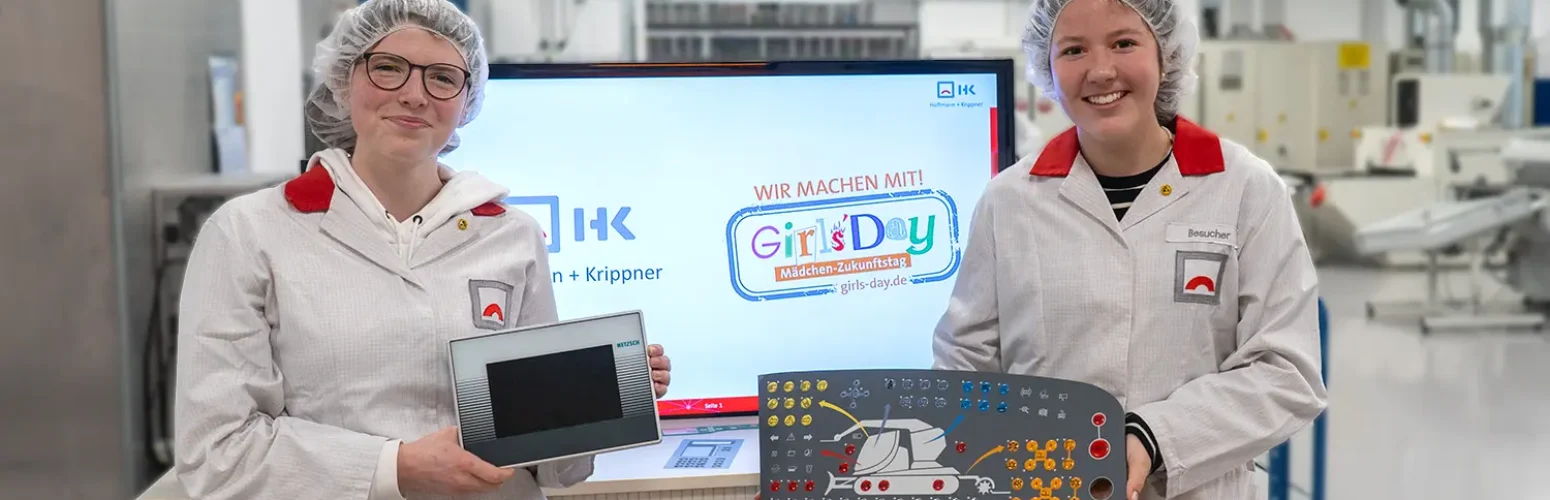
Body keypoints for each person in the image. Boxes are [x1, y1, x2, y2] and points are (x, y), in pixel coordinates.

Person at [172, 1, 673, 499]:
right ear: (344, 82)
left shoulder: (512, 235)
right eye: (388, 68)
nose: (414, 95)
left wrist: (608, 394)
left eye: (442, 77)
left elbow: (548, 461)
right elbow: (219, 453)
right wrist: (396, 468)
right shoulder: (250, 233)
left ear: (467, 98)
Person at [931, 0, 1327, 499]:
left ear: (1166, 54)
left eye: (1124, 42)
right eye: (1073, 49)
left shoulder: (1246, 189)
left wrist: (1154, 436)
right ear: (1047, 67)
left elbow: (1287, 374)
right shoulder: (1009, 200)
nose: (1100, 70)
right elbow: (965, 365)